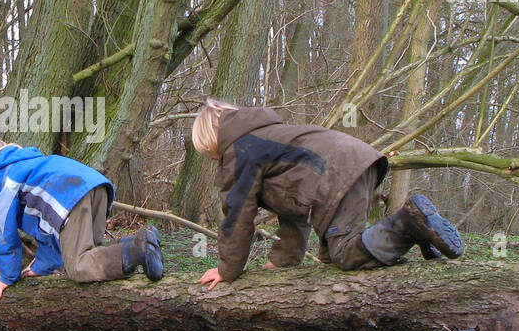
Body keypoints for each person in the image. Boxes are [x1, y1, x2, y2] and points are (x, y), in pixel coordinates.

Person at [191, 99, 463, 290]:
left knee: (345, 254)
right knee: (333, 258)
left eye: (210, 152)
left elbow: (237, 215)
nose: (214, 158)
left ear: (215, 139)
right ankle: (420, 233)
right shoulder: (268, 137)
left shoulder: (241, 151)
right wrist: (283, 261)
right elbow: (291, 210)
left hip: (338, 173)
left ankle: (409, 224)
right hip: (356, 163)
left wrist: (227, 270)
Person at [0, 135, 163, 302]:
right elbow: (46, 229)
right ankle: (142, 241)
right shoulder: (30, 167)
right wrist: (42, 267)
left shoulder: (3, 180)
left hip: (71, 193)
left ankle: (137, 249)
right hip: (96, 185)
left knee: (79, 266)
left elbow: (3, 233)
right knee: (92, 253)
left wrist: (6, 277)